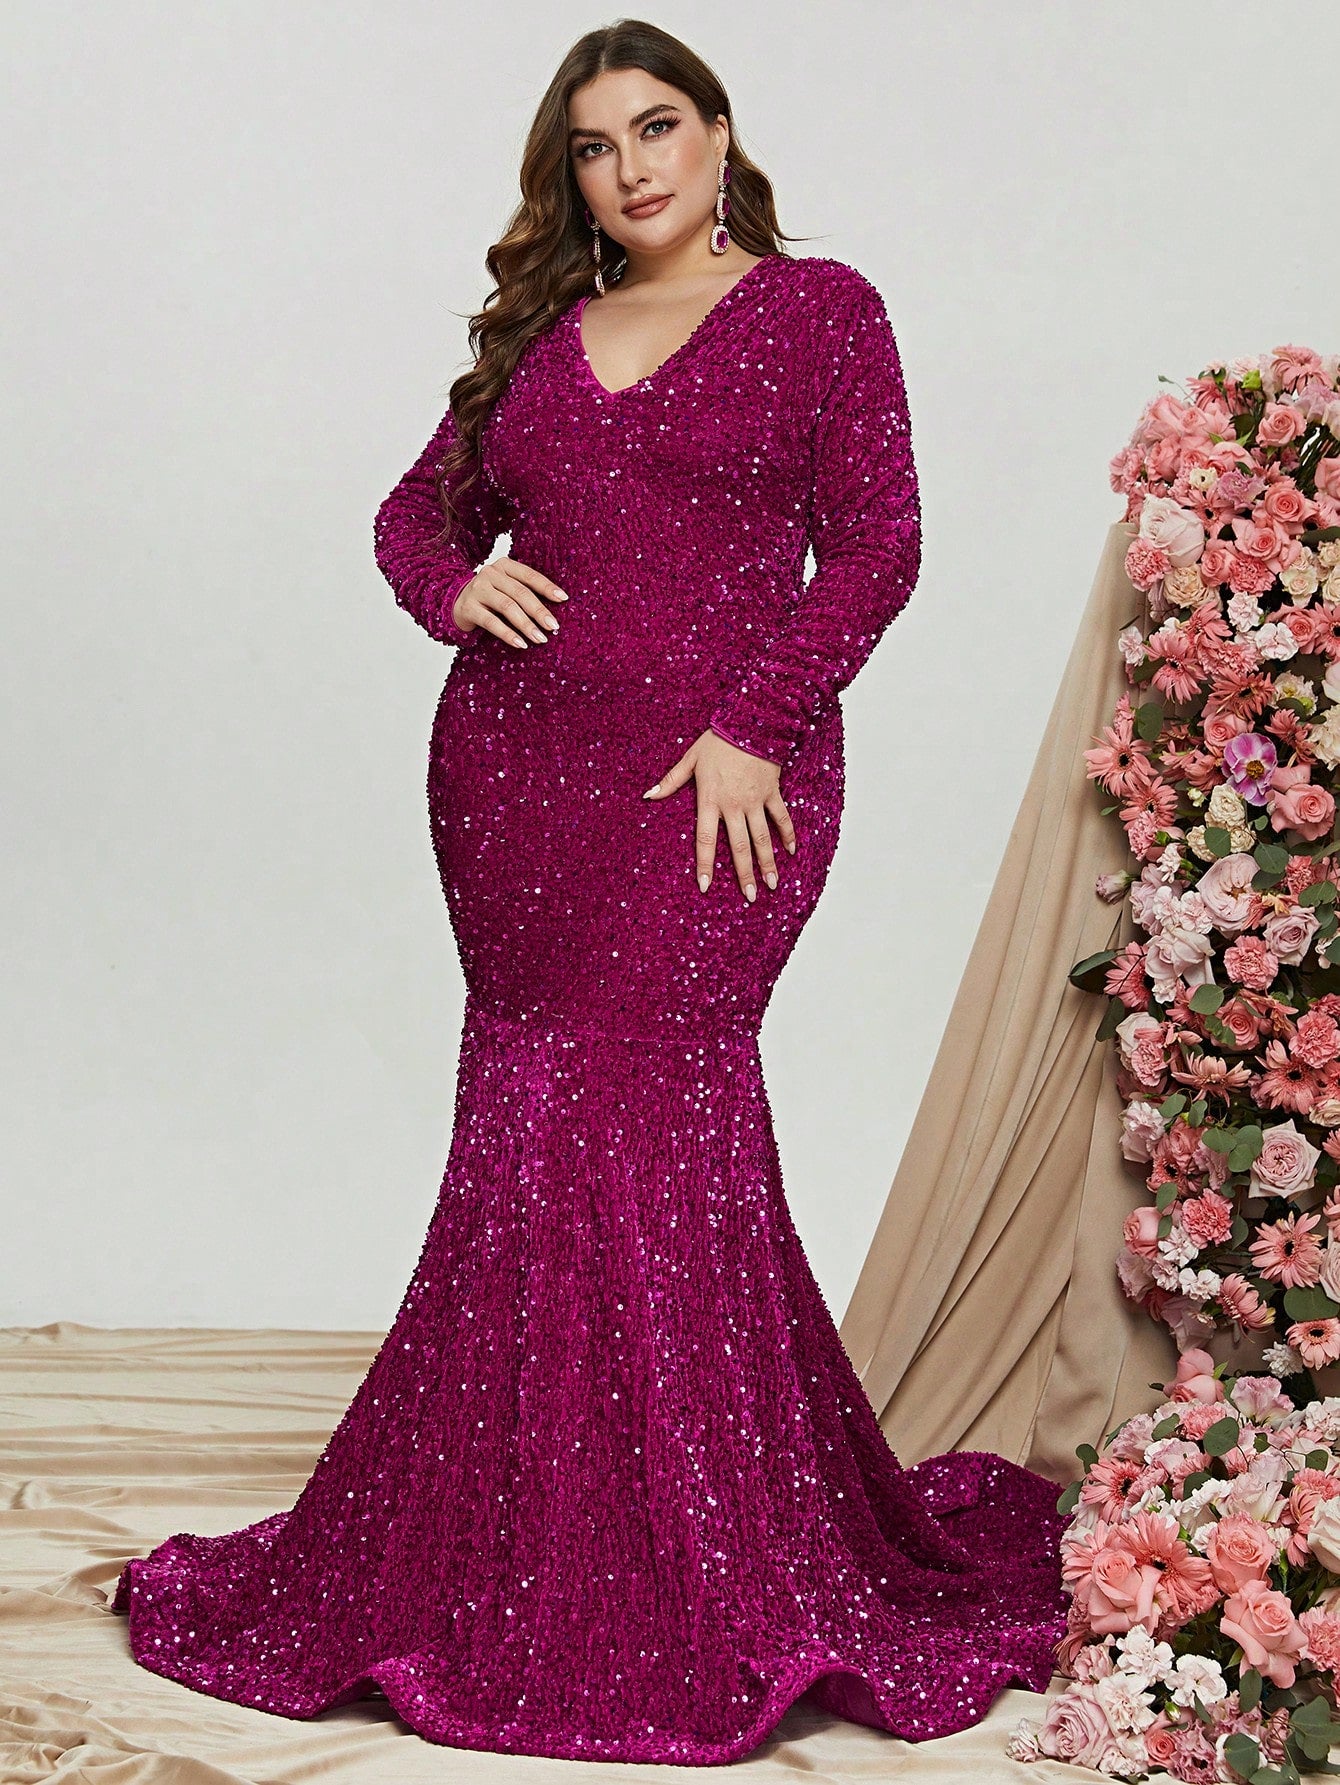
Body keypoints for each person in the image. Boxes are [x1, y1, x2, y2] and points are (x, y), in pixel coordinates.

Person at [112, 19, 1070, 1767]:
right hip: (514, 787)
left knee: (658, 1107)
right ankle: (519, 1545)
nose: (631, 167)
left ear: (719, 133)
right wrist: (453, 590)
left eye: (658, 126)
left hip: (723, 786)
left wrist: (754, 724)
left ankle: (712, 1548)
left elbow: (880, 544)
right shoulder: (545, 339)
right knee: (533, 1121)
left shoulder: (817, 311)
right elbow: (412, 517)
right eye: (594, 146)